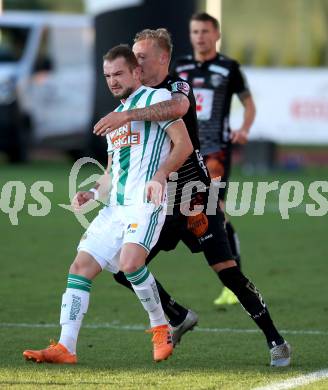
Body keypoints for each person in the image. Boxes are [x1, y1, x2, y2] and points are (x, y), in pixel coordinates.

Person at [93, 29, 291, 367]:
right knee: (124, 269)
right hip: (159, 204)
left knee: (227, 272)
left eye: (142, 57)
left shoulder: (174, 88)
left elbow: (180, 105)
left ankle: (276, 340)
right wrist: (101, 188)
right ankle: (178, 315)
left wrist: (127, 115)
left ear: (162, 59)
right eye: (133, 57)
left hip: (194, 196)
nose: (135, 63)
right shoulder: (131, 101)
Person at [23, 44, 193, 364]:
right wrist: (93, 192)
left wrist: (160, 175)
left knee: (130, 264)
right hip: (114, 207)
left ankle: (161, 327)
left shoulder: (155, 100)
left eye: (118, 74)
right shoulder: (116, 115)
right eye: (107, 76)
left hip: (146, 202)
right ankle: (66, 347)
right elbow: (113, 171)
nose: (112, 81)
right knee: (80, 268)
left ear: (136, 72)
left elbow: (184, 145)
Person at [172, 12, 256, 305]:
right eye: (195, 32)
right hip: (185, 152)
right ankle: (234, 280)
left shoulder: (228, 68)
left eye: (205, 31)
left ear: (216, 34)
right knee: (199, 211)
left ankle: (234, 283)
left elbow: (249, 104)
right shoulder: (179, 67)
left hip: (216, 151)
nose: (200, 37)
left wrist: (244, 128)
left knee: (214, 207)